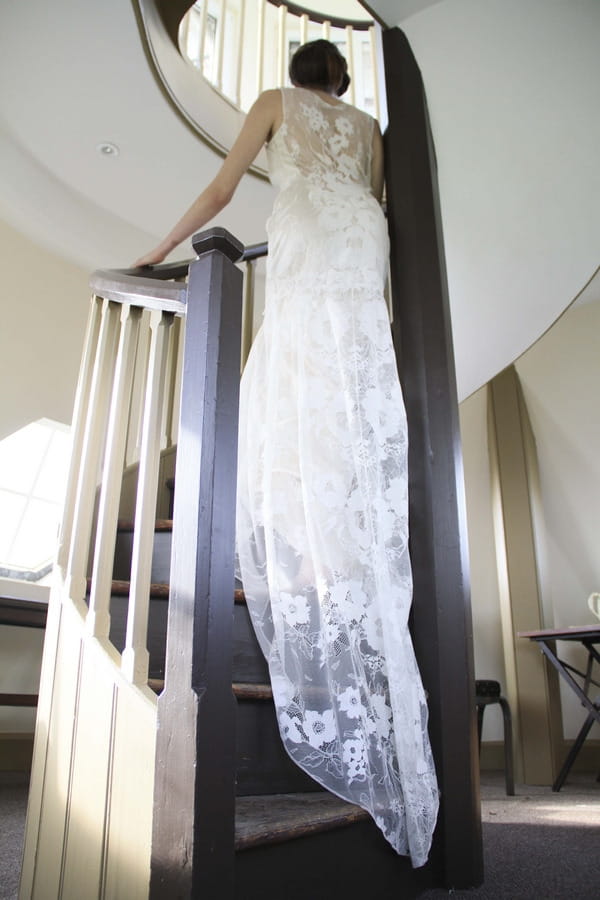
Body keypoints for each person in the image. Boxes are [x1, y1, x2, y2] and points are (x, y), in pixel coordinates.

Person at [135, 39, 439, 867]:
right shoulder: (370, 124)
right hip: (361, 237)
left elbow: (226, 185)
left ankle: (299, 520)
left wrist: (164, 246)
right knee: (348, 377)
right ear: (340, 80)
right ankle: (339, 540)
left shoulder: (273, 99)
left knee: (294, 373)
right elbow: (370, 194)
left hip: (309, 227)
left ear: (300, 78)